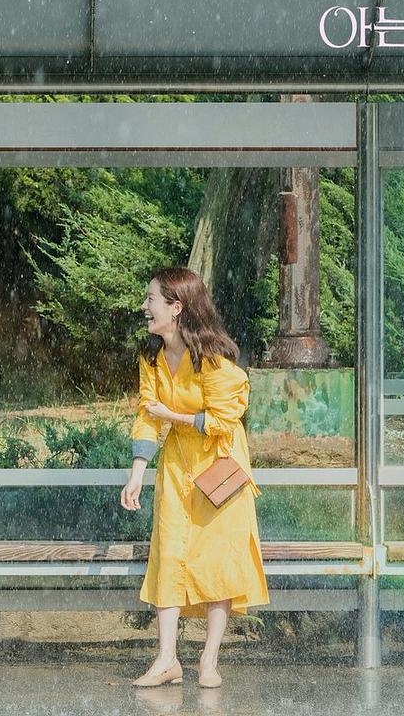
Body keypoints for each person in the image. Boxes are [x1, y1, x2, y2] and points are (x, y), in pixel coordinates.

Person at [120, 266, 268, 689]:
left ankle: (209, 660)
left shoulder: (213, 359)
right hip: (177, 466)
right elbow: (147, 415)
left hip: (219, 466)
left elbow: (224, 419)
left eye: (151, 299)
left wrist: (175, 416)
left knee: (217, 560)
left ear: (176, 307)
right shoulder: (151, 356)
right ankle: (167, 659)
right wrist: (136, 474)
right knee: (169, 555)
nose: (144, 307)